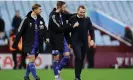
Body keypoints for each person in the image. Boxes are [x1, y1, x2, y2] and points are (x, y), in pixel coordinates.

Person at [12, 4, 48, 80]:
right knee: (31, 60)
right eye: (39, 9)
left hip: (38, 44)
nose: (41, 10)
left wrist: (46, 38)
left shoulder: (41, 20)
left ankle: (26, 76)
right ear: (34, 10)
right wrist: (15, 44)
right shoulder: (26, 19)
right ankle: (35, 77)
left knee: (31, 61)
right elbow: (19, 32)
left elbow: (45, 30)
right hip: (29, 44)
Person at [68, 5, 95, 80]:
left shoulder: (87, 19)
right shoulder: (72, 19)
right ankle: (77, 77)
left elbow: (91, 30)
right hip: (75, 42)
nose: (82, 13)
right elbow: (67, 31)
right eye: (81, 12)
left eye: (83, 12)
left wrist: (92, 39)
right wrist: (69, 42)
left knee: (81, 59)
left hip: (84, 42)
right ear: (77, 11)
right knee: (78, 57)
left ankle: (78, 76)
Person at [48, 1, 72, 80]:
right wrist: (70, 25)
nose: (65, 9)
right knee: (56, 58)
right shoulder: (53, 16)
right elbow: (59, 29)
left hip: (62, 37)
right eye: (64, 7)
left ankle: (57, 70)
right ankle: (56, 77)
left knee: (67, 55)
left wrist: (79, 15)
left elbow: (72, 15)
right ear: (59, 6)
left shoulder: (63, 14)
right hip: (55, 39)